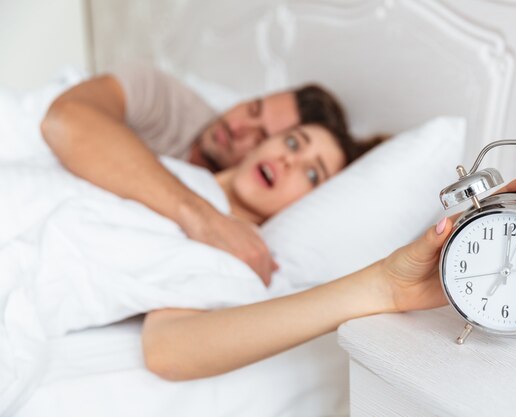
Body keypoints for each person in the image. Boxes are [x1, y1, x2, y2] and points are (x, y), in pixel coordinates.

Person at [142, 177, 516, 381]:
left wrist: (386, 286)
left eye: (314, 174)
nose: (287, 160)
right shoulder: (189, 183)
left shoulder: (238, 253)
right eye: (292, 140)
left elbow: (168, 348)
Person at [40, 64, 350, 284]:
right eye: (252, 109)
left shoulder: (243, 218)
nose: (238, 127)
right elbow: (64, 120)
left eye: (259, 136)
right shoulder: (163, 99)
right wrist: (200, 217)